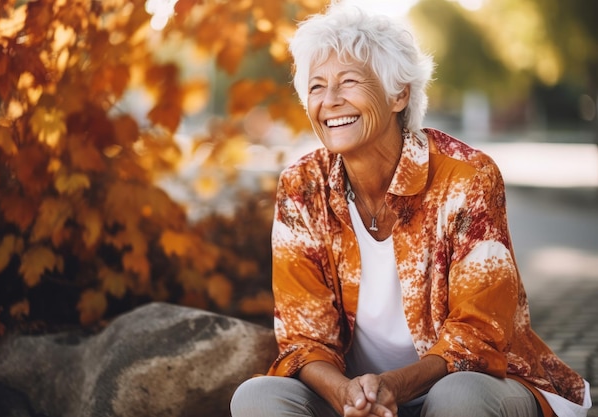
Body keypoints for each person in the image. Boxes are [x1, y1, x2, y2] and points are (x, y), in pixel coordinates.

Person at [230, 3, 592, 417]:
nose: (329, 101)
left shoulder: (467, 178)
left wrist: (391, 388)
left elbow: (479, 335)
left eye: (348, 82)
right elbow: (303, 338)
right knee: (256, 398)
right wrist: (351, 397)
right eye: (316, 87)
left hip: (470, 383)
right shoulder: (301, 187)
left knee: (458, 398)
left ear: (399, 94)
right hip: (359, 395)